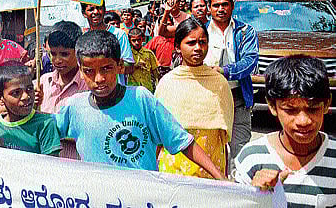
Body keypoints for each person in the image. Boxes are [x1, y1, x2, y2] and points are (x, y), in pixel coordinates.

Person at [54, 30, 224, 178]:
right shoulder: (75, 107)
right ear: (81, 71)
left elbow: (182, 141)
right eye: (89, 71)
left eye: (106, 69)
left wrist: (220, 177)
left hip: (142, 198)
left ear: (120, 66)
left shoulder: (140, 99)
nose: (99, 79)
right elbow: (44, 131)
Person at [235, 55, 335, 207]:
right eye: (290, 110)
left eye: (313, 109)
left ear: (327, 104)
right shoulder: (251, 158)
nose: (303, 121)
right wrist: (255, 196)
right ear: (272, 106)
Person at [155, 18, 234, 178]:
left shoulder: (219, 82)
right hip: (175, 165)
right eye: (191, 43)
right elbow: (158, 134)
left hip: (211, 164)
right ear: (178, 47)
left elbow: (224, 137)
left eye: (202, 42)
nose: (198, 48)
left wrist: (222, 174)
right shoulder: (168, 83)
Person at [203, 0, 259, 172]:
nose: (221, 9)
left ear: (232, 6)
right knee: (210, 149)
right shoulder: (200, 32)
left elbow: (250, 61)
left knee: (240, 150)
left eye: (225, 4)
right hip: (208, 98)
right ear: (209, 8)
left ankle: (238, 189)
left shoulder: (245, 32)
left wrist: (224, 71)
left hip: (238, 98)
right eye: (216, 5)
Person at [37, 21, 87, 159]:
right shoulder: (42, 82)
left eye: (64, 54)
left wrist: (49, 128)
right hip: (45, 161)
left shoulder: (87, 86)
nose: (57, 60)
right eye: (53, 54)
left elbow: (86, 132)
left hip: (76, 164)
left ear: (78, 52)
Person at [0, 64, 62, 156]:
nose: (26, 96)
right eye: (16, 93)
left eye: (29, 89)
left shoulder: (45, 124)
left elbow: (52, 166)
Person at [80, 2, 134, 84]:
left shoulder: (119, 34)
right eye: (91, 9)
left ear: (104, 9)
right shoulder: (83, 38)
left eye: (99, 8)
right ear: (84, 13)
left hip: (115, 90)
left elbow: (130, 67)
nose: (96, 12)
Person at [127, 28, 159, 93]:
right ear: (129, 40)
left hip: (147, 88)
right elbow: (124, 70)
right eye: (134, 40)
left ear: (143, 39)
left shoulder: (149, 53)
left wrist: (158, 86)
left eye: (139, 40)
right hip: (133, 89)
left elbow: (155, 72)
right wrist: (136, 66)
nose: (137, 43)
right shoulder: (128, 54)